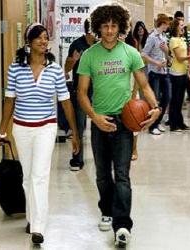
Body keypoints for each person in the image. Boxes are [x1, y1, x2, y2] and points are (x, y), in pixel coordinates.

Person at [77, 4, 160, 247]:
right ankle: (107, 209)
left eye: (114, 26)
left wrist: (155, 107)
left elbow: (144, 86)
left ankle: (122, 224)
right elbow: (81, 92)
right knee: (103, 175)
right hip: (100, 121)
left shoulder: (130, 53)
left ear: (121, 27)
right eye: (105, 25)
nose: (110, 30)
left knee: (122, 175)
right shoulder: (89, 55)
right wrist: (94, 117)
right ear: (98, 27)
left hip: (124, 122)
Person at [0, 23, 79, 244]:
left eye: (46, 37)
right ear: (29, 41)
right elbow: (10, 101)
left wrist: (75, 133)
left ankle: (38, 227)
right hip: (22, 128)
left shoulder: (55, 69)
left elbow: (65, 102)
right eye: (39, 38)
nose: (44, 41)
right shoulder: (15, 68)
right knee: (28, 177)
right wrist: (1, 131)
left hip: (46, 128)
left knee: (40, 176)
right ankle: (32, 217)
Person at [64, 19, 95, 171]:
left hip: (99, 90)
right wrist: (73, 60)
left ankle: (103, 158)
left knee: (102, 124)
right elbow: (66, 68)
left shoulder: (101, 45)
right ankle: (77, 159)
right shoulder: (77, 44)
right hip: (81, 90)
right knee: (79, 125)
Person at [142, 14, 171, 135]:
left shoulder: (164, 37)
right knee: (155, 100)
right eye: (167, 24)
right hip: (154, 72)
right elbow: (143, 54)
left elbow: (167, 54)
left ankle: (158, 121)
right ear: (162, 24)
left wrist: (166, 52)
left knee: (167, 97)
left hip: (164, 72)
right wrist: (156, 63)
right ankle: (152, 125)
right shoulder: (152, 37)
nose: (168, 26)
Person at [168, 18, 190, 131]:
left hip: (183, 72)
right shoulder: (173, 40)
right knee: (175, 100)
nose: (183, 27)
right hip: (176, 73)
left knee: (180, 100)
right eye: (181, 25)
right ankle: (173, 124)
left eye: (183, 25)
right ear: (176, 27)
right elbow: (179, 58)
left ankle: (180, 123)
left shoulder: (181, 39)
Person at [131, 20, 149, 160]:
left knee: (134, 121)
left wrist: (133, 93)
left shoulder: (133, 47)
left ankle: (134, 148)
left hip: (133, 87)